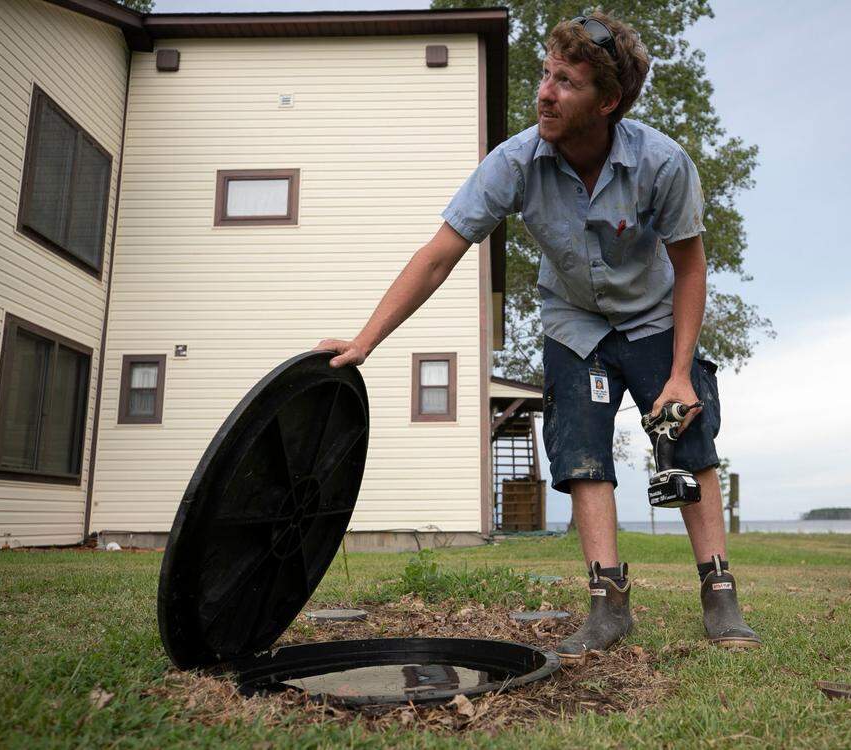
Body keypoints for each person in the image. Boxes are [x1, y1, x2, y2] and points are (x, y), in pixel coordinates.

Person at [316, 11, 760, 657]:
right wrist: (367, 340)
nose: (545, 93)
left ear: (607, 101)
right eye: (545, 75)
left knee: (689, 438)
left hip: (654, 315)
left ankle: (720, 594)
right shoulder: (515, 161)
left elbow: (691, 267)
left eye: (567, 83)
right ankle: (608, 605)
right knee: (580, 449)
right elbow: (441, 252)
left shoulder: (662, 163)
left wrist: (679, 374)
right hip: (574, 321)